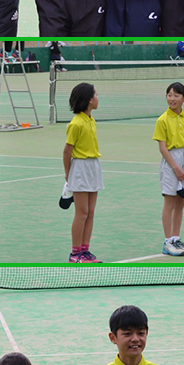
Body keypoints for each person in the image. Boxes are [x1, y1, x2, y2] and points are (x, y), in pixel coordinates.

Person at [153, 81, 184, 258]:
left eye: (176, 95)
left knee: (181, 203)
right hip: (171, 163)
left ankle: (176, 239)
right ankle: (167, 242)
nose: (172, 98)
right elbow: (163, 148)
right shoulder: (162, 120)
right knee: (169, 203)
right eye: (169, 95)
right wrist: (176, 168)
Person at [63, 81, 102, 265]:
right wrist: (68, 174)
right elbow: (67, 151)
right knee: (82, 212)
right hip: (80, 169)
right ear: (88, 100)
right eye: (95, 94)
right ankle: (75, 253)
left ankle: (85, 251)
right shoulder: (76, 124)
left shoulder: (91, 120)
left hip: (94, 167)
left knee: (91, 212)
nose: (97, 98)